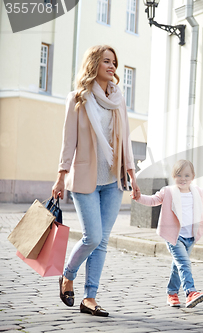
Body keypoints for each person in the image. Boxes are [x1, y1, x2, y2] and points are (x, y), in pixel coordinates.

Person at [52, 45, 140, 317]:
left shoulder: (118, 99)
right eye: (106, 61)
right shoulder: (77, 98)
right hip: (85, 178)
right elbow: (69, 141)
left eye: (114, 62)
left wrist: (132, 174)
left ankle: (90, 297)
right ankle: (68, 275)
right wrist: (60, 175)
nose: (112, 66)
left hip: (113, 180)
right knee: (93, 236)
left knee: (102, 241)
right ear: (94, 64)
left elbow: (125, 139)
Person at [132, 159, 203, 308]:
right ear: (173, 176)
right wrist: (139, 197)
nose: (183, 179)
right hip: (174, 236)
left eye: (187, 175)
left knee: (178, 266)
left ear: (193, 177)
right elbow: (153, 200)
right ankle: (190, 292)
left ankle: (172, 293)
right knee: (184, 263)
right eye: (179, 175)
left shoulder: (196, 191)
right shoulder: (168, 191)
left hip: (190, 236)